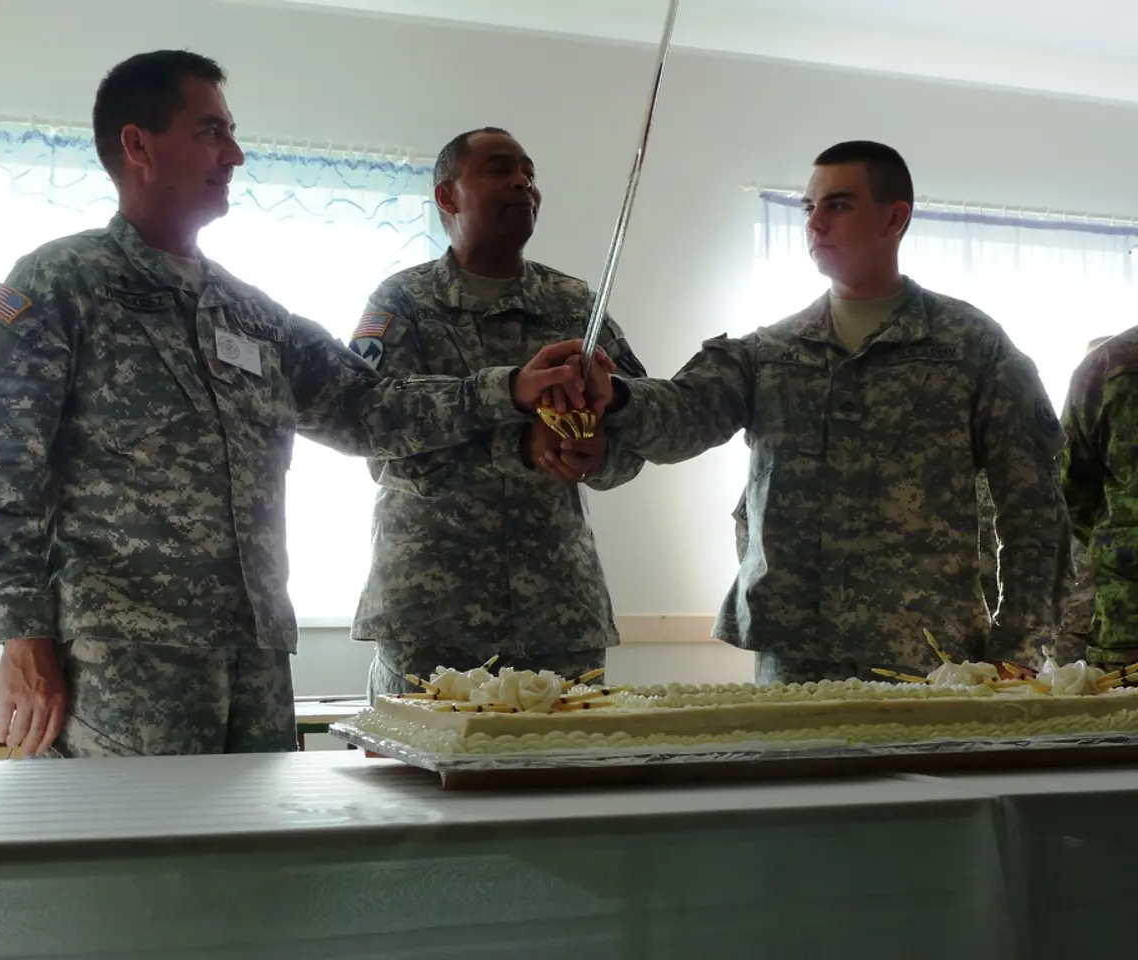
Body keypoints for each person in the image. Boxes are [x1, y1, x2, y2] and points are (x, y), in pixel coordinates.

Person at [0, 51, 595, 759]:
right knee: (139, 837)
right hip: (122, 662)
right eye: (211, 132)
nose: (235, 154)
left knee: (262, 836)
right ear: (138, 145)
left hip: (257, 660)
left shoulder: (250, 314)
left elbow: (370, 409)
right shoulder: (62, 284)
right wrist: (21, 631)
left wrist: (509, 390)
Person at [587, 140, 1072, 684]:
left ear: (895, 218)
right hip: (795, 662)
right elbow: (681, 417)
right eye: (808, 208)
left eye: (838, 205)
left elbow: (1036, 510)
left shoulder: (971, 347)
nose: (815, 223)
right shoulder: (771, 351)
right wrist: (616, 396)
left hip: (930, 663)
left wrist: (1018, 648)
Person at [348, 127, 648, 698]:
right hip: (431, 618)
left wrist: (597, 455)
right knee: (420, 760)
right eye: (499, 169)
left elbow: (637, 426)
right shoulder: (402, 303)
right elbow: (375, 434)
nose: (522, 183)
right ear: (447, 196)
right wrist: (516, 428)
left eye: (529, 172)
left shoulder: (576, 305)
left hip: (558, 613)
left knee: (575, 758)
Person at [1059, 331, 1138, 670]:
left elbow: (1072, 492)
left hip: (1127, 618)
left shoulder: (1110, 364)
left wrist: (1117, 547)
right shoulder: (1107, 364)